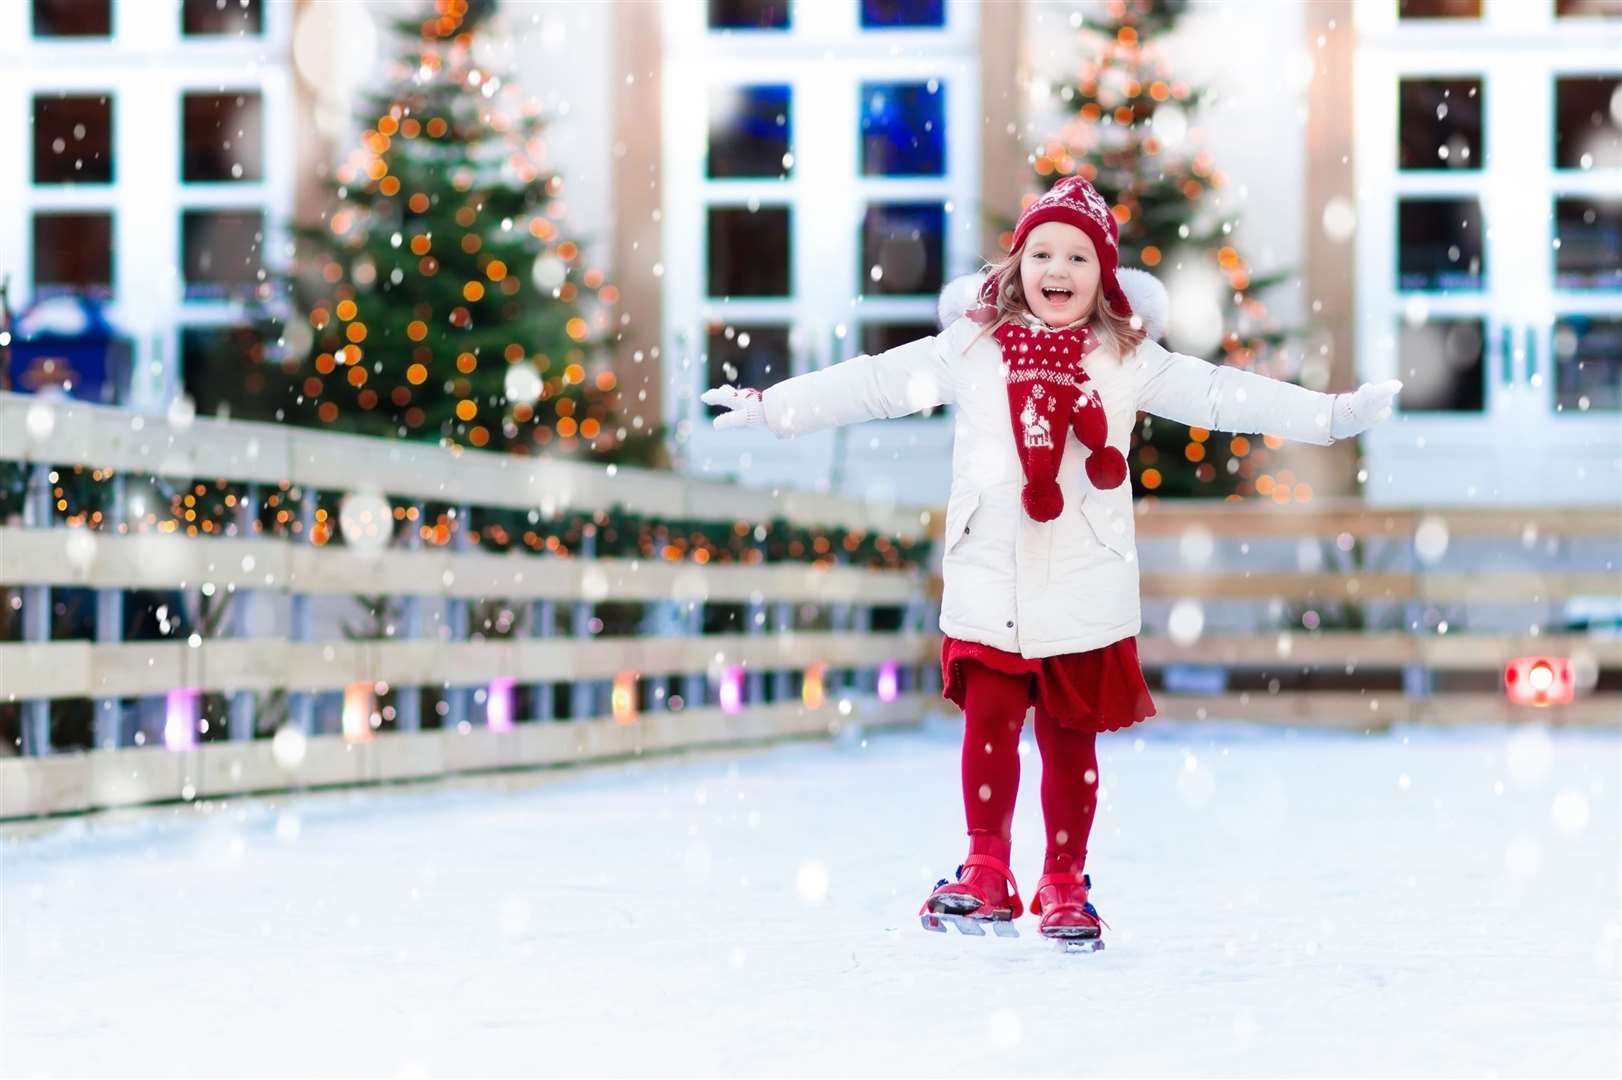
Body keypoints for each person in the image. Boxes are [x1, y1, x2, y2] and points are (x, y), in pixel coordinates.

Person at [701, 176, 1401, 947]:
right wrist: (775, 409)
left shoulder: (1128, 359)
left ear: (1104, 276)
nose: (1056, 269)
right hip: (989, 574)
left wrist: (1330, 418)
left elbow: (1222, 395)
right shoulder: (970, 347)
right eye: (1041, 252)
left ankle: (1065, 882)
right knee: (991, 727)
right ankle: (987, 868)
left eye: (1076, 255)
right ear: (1016, 266)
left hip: (1082, 578)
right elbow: (874, 383)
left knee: (1071, 741)